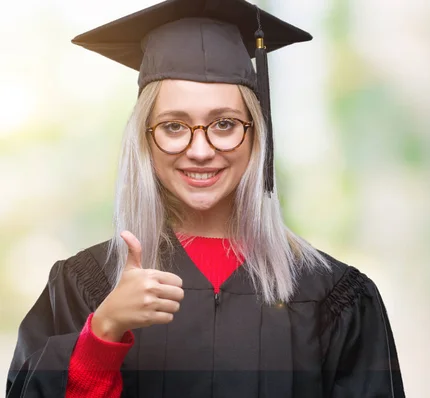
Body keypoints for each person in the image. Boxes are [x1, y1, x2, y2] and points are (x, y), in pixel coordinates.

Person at [5, 0, 406, 397]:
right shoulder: (87, 287)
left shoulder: (331, 296)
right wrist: (103, 333)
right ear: (143, 138)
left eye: (225, 124)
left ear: (256, 135)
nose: (200, 150)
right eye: (174, 125)